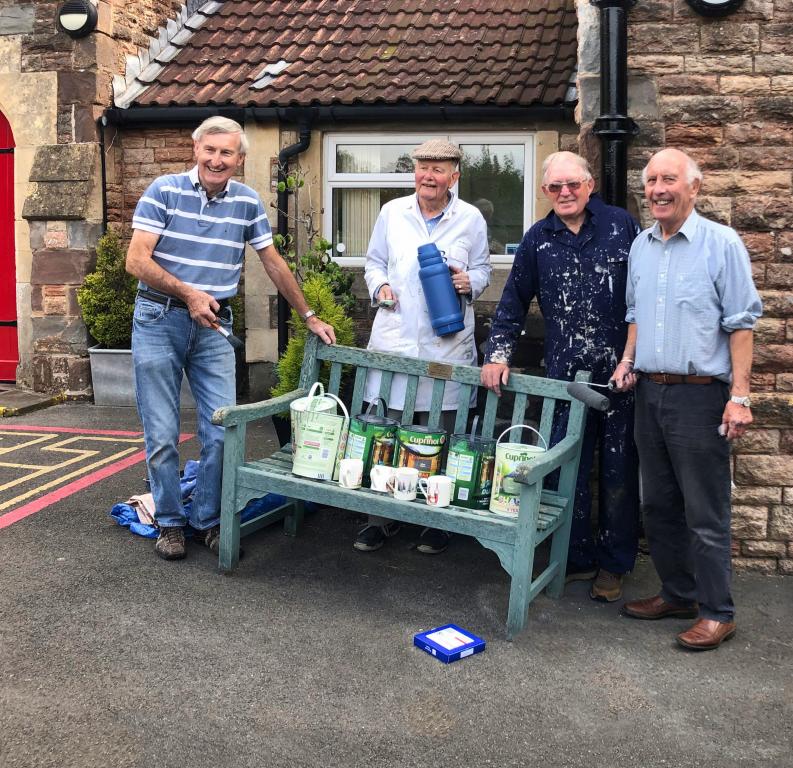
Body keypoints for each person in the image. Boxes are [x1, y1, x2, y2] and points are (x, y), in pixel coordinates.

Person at [126, 116, 336, 561]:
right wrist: (187, 292)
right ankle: (169, 522)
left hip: (215, 324)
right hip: (158, 317)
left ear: (240, 160)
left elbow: (274, 262)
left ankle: (205, 519)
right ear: (196, 150)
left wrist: (309, 315)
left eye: (227, 153)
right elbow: (136, 261)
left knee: (223, 430)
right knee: (163, 434)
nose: (216, 160)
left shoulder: (246, 201)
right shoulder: (164, 190)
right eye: (210, 150)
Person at [609, 147, 762, 650]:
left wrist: (740, 395)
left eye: (669, 179)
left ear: (694, 187)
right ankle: (677, 593)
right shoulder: (640, 247)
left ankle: (718, 611)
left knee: (705, 511)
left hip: (700, 398)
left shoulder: (721, 244)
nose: (658, 189)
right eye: (651, 180)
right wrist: (629, 362)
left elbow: (741, 324)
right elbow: (635, 314)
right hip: (650, 393)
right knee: (658, 506)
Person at [482, 152, 640, 603]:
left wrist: (637, 358)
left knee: (617, 470)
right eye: (555, 187)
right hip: (565, 378)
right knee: (565, 468)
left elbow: (646, 295)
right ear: (545, 192)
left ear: (589, 184)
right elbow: (513, 301)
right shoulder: (537, 239)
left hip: (620, 377)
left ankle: (614, 565)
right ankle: (575, 557)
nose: (565, 193)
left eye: (572, 184)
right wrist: (497, 354)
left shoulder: (621, 227)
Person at [357, 138, 492, 555]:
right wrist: (379, 286)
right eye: (422, 168)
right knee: (386, 430)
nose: (428, 176)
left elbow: (484, 267)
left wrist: (472, 281)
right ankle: (380, 518)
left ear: (455, 175)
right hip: (395, 340)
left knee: (440, 434)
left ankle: (436, 520)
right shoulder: (392, 212)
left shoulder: (470, 218)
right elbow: (373, 262)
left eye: (438, 169)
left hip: (445, 347)